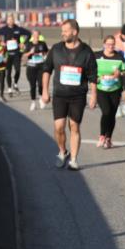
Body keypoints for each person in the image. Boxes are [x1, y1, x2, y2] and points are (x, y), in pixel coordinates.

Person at [41, 19, 97, 171]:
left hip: (78, 96)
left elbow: (93, 75)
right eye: (62, 31)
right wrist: (44, 91)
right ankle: (62, 151)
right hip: (60, 95)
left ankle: (73, 160)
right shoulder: (56, 49)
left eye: (65, 31)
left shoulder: (86, 51)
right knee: (59, 127)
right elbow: (46, 69)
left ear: (74, 32)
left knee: (74, 126)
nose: (63, 33)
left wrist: (93, 95)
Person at [95, 35, 125, 148]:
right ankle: (102, 136)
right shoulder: (97, 56)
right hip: (101, 89)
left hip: (115, 89)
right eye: (108, 44)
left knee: (112, 114)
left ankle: (108, 138)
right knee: (106, 111)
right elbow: (91, 71)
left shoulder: (119, 57)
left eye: (113, 44)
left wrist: (119, 74)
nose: (110, 46)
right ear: (104, 44)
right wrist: (97, 78)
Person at [0, 15, 32, 96]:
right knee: (8, 71)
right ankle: (9, 89)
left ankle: (15, 83)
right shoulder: (4, 29)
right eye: (9, 20)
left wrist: (23, 43)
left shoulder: (18, 29)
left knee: (18, 70)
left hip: (16, 53)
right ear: (7, 21)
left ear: (14, 20)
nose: (10, 21)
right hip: (7, 53)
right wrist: (0, 42)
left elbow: (29, 34)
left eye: (12, 19)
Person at [24, 30, 49, 111]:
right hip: (31, 67)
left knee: (41, 84)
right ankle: (33, 102)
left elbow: (46, 52)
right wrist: (30, 52)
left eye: (37, 35)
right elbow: (24, 55)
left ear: (39, 36)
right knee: (33, 85)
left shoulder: (42, 43)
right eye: (34, 35)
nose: (36, 36)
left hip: (40, 67)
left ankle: (41, 98)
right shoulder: (29, 44)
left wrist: (44, 56)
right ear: (32, 36)